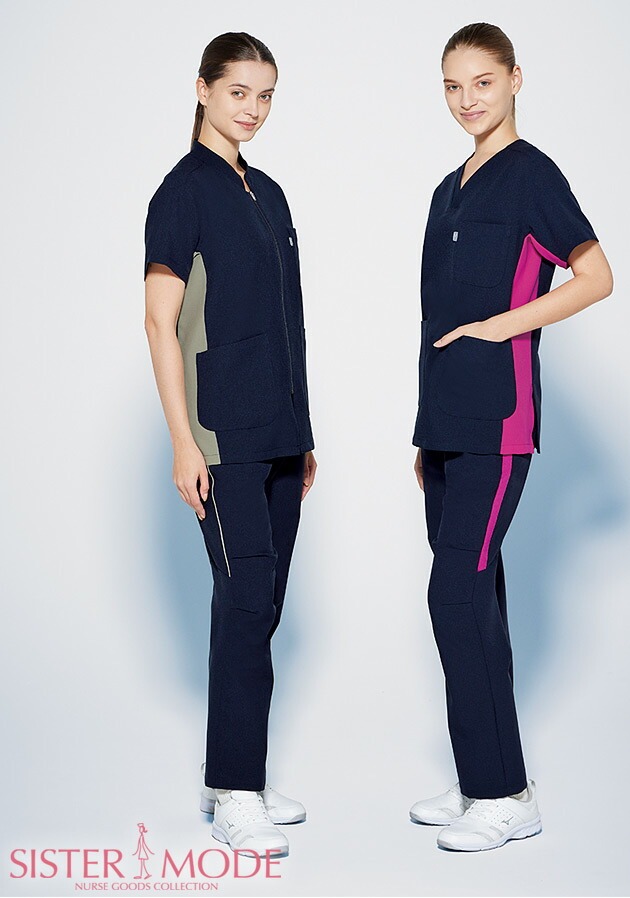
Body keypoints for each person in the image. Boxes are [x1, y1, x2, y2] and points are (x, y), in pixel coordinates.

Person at [409, 22, 613, 852]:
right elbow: (436, 317)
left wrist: (504, 327)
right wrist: (424, 434)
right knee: (479, 600)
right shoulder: (445, 190)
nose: (468, 100)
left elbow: (596, 276)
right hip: (444, 429)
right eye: (453, 86)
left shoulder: (533, 176)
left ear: (515, 80)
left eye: (483, 82)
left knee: (454, 596)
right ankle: (487, 781)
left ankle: (503, 795)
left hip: (499, 424)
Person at [143, 31, 317, 858]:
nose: (253, 108)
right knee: (247, 600)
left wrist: (303, 432)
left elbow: (287, 321)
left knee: (262, 601)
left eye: (266, 94)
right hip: (220, 435)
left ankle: (229, 771)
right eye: (239, 91)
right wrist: (184, 442)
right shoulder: (183, 193)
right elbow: (160, 322)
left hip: (281, 434)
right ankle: (239, 792)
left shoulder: (269, 193)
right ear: (204, 89)